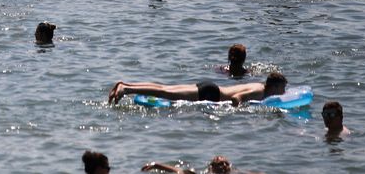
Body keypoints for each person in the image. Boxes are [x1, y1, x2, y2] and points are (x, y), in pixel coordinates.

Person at [108, 72, 287, 106]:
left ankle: (126, 85)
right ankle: (126, 90)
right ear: (274, 86)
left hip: (211, 87)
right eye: (282, 88)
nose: (284, 92)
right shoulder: (260, 92)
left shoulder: (258, 84)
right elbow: (236, 99)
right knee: (166, 93)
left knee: (165, 88)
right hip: (211, 94)